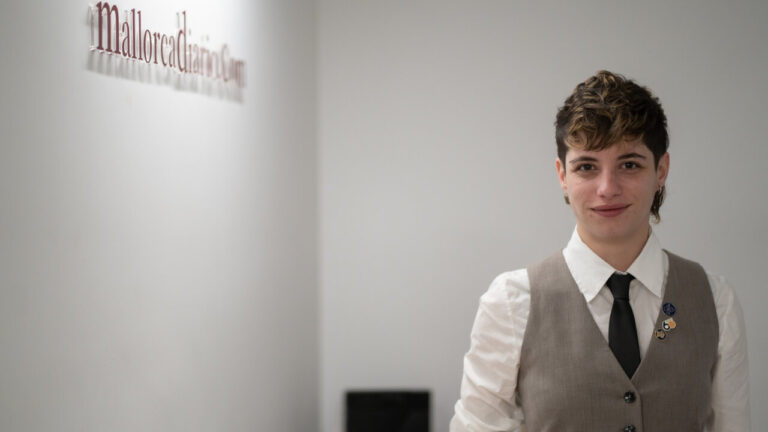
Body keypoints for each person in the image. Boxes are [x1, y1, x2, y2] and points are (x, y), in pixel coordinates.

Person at [449, 71, 750, 432]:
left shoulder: (715, 301)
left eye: (629, 164)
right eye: (587, 167)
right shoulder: (511, 304)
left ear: (661, 171)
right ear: (563, 175)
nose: (607, 188)